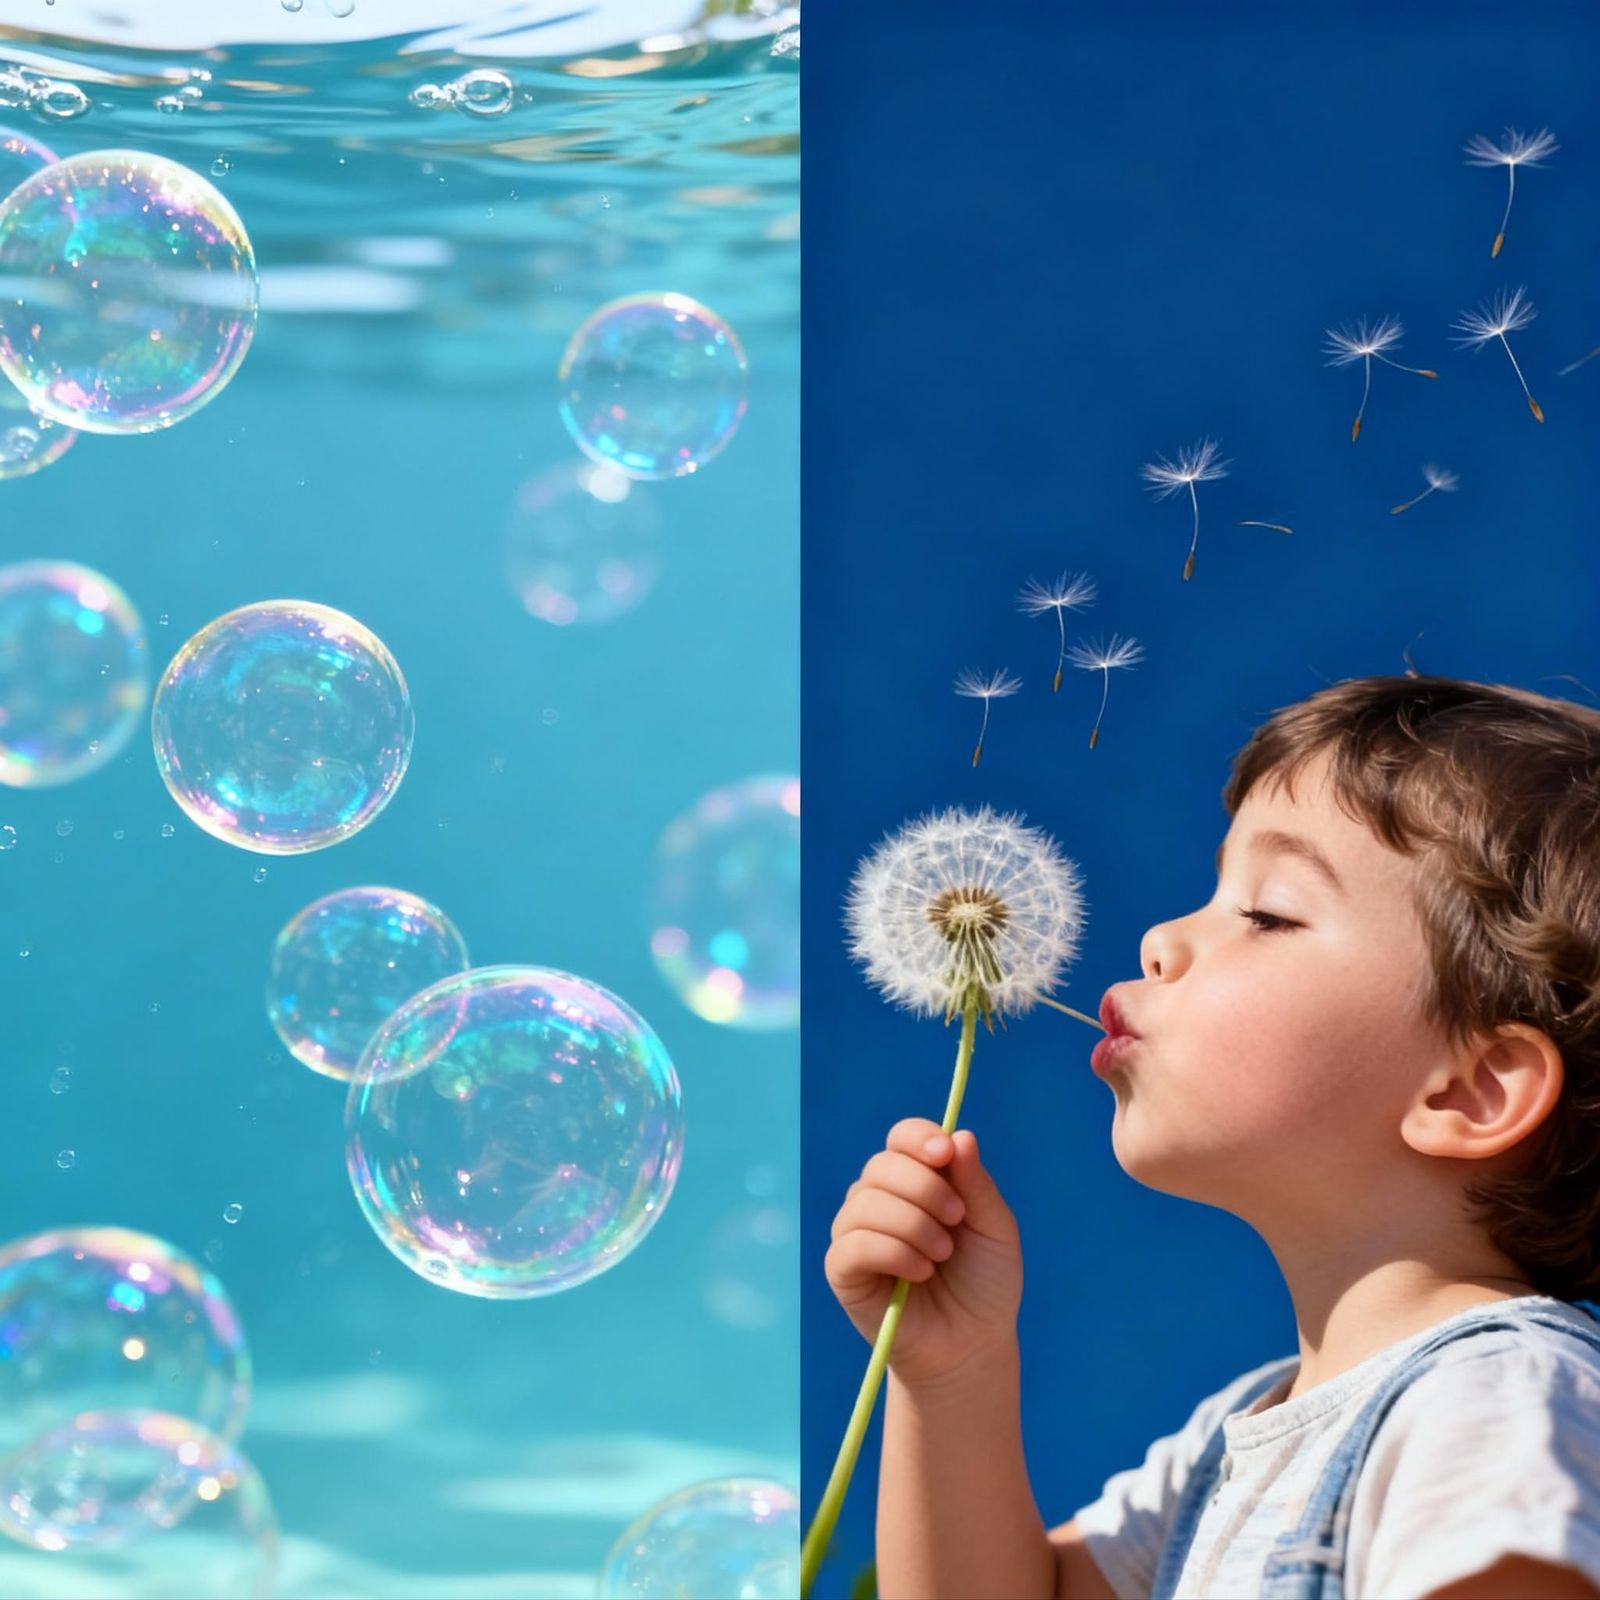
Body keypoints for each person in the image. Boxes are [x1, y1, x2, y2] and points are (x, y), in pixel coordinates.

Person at [825, 675, 1600, 1599]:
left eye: (1268, 912)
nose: (1158, 939)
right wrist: (952, 1373)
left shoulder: (1497, 1398)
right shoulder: (1226, 1440)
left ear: (1471, 1090)